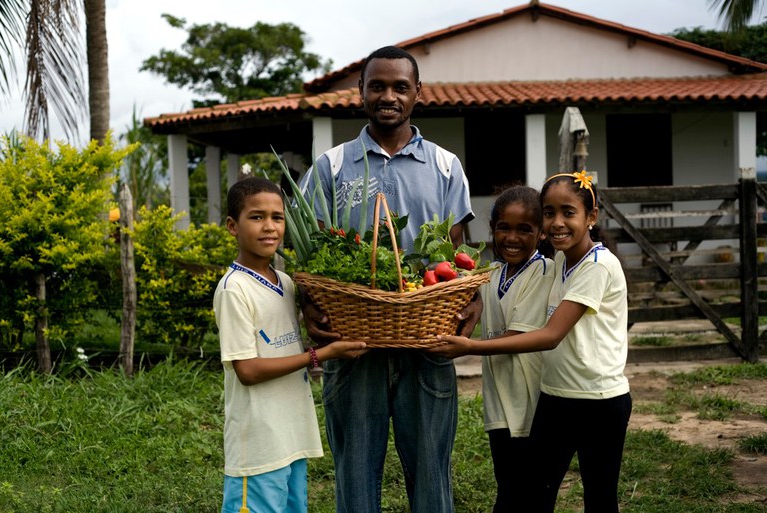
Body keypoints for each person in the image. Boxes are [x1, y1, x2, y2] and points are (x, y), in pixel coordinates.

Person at [298, 46, 477, 513]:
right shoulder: (331, 166)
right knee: (355, 476)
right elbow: (310, 255)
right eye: (377, 85)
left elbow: (455, 256)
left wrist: (469, 299)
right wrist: (310, 306)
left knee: (432, 474)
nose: (388, 96)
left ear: (418, 93)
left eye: (400, 86)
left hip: (427, 338)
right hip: (354, 341)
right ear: (360, 92)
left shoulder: (444, 165)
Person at [430, 171, 632, 513]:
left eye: (568, 212)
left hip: (598, 401)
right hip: (555, 397)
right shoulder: (559, 264)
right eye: (550, 212)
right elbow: (477, 289)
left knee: (599, 498)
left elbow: (551, 336)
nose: (557, 222)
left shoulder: (596, 266)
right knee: (532, 495)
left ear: (591, 217)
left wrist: (471, 349)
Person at [213, 177, 366, 513]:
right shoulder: (233, 290)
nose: (269, 227)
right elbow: (248, 370)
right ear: (232, 226)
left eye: (277, 217)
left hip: (291, 437)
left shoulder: (284, 282)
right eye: (256, 217)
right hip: (258, 447)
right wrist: (320, 355)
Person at [479, 185, 555, 512]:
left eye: (525, 229)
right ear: (492, 230)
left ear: (541, 234)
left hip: (533, 404)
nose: (512, 237)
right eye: (503, 228)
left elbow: (512, 338)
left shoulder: (543, 272)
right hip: (499, 403)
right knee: (507, 484)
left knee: (530, 494)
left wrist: (465, 348)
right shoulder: (490, 274)